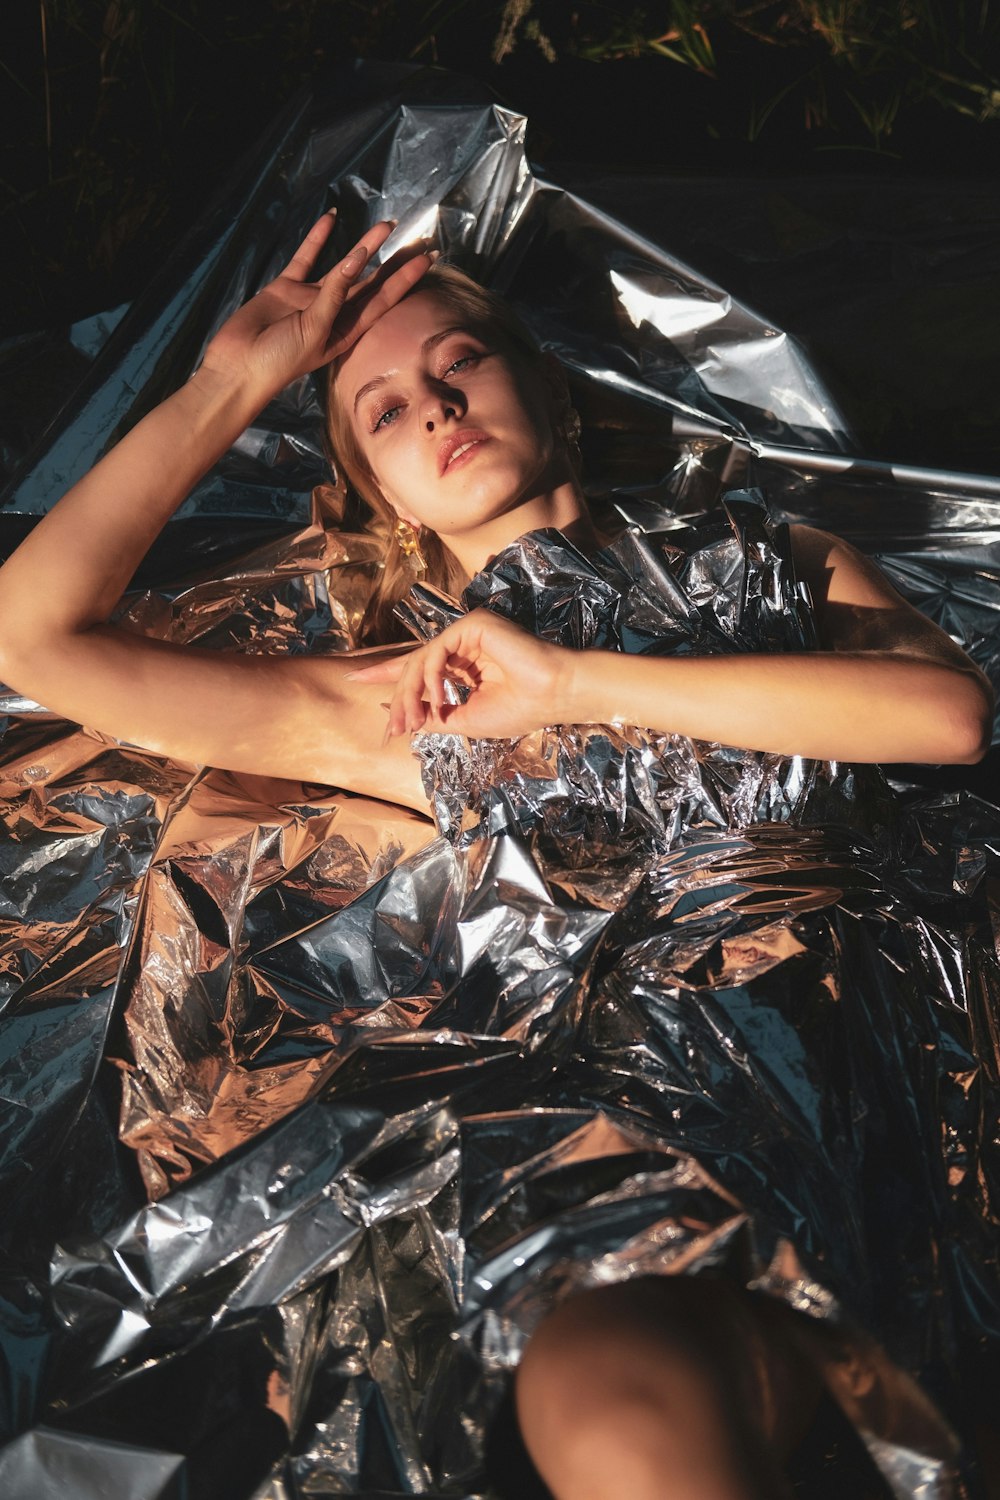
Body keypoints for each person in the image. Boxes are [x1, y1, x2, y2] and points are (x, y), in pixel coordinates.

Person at [0, 211, 993, 1499]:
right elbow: (35, 640)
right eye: (383, 413)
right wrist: (232, 380)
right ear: (378, 497)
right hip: (641, 1102)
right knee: (624, 1390)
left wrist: (572, 682)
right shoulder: (403, 701)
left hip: (874, 1056)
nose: (434, 409)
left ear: (546, 387)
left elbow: (948, 716)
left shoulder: (767, 559)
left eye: (457, 363)